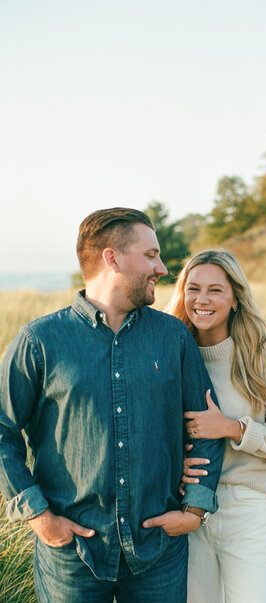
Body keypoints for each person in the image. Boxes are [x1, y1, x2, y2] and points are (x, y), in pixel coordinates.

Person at [0, 208, 224, 603]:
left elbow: (207, 425)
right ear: (112, 257)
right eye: (151, 255)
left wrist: (195, 509)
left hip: (158, 551)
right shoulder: (40, 341)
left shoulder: (172, 337)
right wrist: (38, 515)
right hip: (72, 555)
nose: (163, 267)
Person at [167, 249, 266, 603]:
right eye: (193, 288)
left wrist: (234, 429)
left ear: (235, 299)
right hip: (187, 510)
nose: (202, 300)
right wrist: (175, 464)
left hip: (246, 508)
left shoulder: (263, 354)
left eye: (215, 290)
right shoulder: (169, 354)